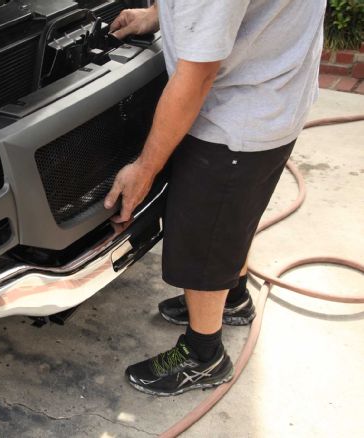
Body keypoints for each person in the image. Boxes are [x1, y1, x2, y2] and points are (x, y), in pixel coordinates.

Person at [104, 0, 325, 396]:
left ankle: (203, 355)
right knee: (232, 218)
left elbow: (197, 75)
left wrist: (145, 169)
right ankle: (235, 298)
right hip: (276, 91)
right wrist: (159, 14)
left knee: (204, 239)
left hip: (236, 118)